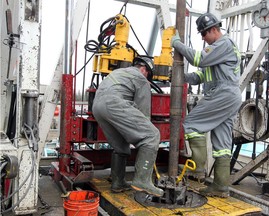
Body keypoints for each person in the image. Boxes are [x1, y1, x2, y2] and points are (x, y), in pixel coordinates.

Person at [171, 12, 242, 198]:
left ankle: (197, 169)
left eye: (203, 34)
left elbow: (198, 59)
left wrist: (177, 44)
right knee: (222, 144)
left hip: (223, 93)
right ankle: (220, 187)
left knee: (191, 123)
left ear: (213, 30)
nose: (203, 39)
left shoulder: (224, 44)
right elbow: (200, 76)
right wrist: (179, 76)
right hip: (229, 96)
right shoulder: (217, 52)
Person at [92, 56, 164, 197]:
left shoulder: (119, 72)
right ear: (144, 69)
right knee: (151, 135)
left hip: (98, 107)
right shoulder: (141, 79)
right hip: (114, 104)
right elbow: (144, 114)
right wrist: (146, 142)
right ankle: (142, 180)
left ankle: (118, 183)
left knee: (121, 146)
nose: (147, 77)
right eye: (148, 74)